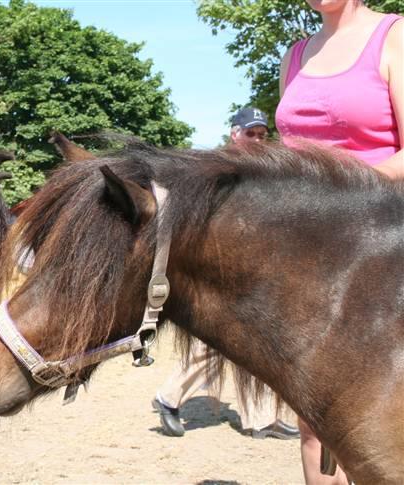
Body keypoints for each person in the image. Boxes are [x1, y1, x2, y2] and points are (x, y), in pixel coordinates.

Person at [276, 1, 403, 483]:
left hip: (383, 248)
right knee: (314, 422)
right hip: (309, 254)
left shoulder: (395, 36)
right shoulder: (296, 55)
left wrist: (337, 191)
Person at [152, 107, 300, 441]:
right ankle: (169, 397)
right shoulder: (217, 169)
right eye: (251, 133)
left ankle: (260, 420)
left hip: (259, 269)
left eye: (263, 134)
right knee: (227, 344)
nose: (258, 139)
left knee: (258, 346)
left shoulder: (265, 170)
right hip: (224, 273)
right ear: (235, 133)